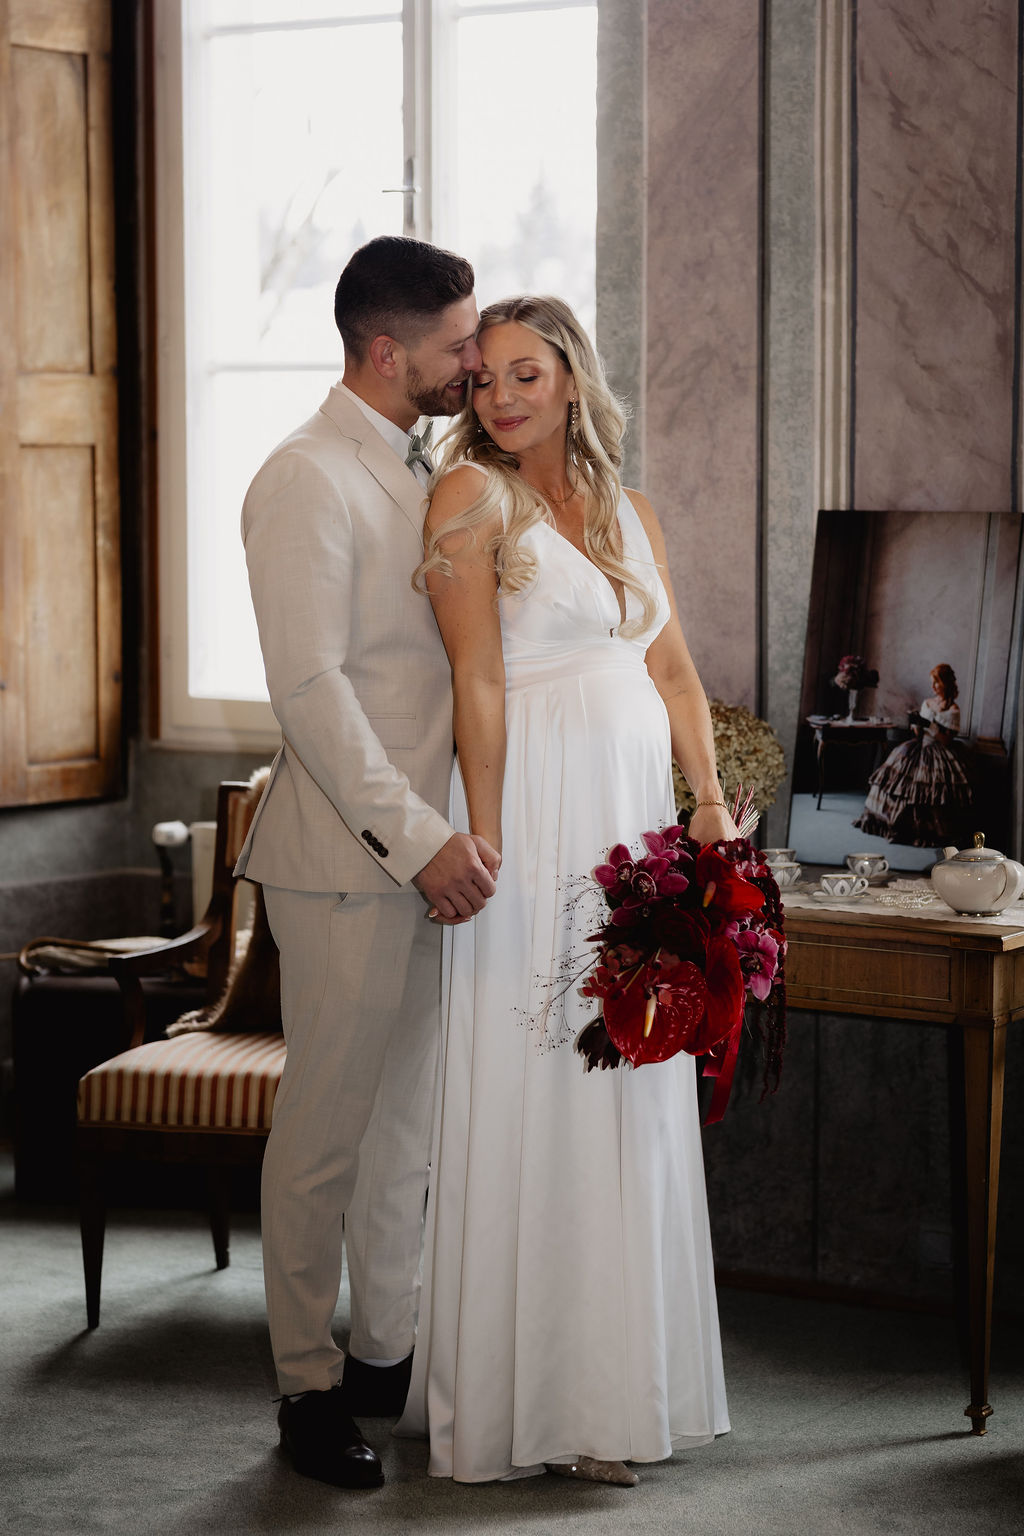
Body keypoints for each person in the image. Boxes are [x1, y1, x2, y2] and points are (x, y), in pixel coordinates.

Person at [396, 295, 734, 1484]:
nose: (499, 396)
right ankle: (531, 1403)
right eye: (484, 377)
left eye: (525, 374)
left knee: (625, 1069)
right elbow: (477, 682)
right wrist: (490, 838)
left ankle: (613, 1390)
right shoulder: (469, 495)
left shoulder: (631, 510)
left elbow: (675, 674)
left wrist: (705, 803)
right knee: (541, 1070)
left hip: (630, 822)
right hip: (536, 816)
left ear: (572, 379)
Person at [234, 236, 501, 1490]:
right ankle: (306, 1387)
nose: (475, 361)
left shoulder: (431, 467)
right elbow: (310, 692)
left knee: (407, 1130)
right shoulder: (303, 477)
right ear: (386, 352)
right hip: (348, 860)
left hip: (439, 859)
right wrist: (419, 838)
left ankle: (384, 1357)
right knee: (325, 1137)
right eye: (458, 343)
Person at [853, 663, 972, 847]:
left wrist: (932, 726)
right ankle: (887, 821)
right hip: (919, 745)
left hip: (938, 750)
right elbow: (918, 734)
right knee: (898, 778)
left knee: (932, 790)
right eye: (932, 682)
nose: (933, 687)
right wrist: (917, 724)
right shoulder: (927, 703)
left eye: (936, 682)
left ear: (945, 683)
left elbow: (946, 741)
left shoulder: (953, 710)